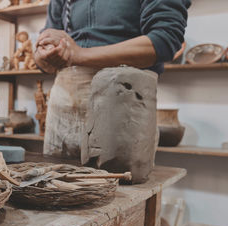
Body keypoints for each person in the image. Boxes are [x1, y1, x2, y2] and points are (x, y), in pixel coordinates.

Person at [34, 0, 191, 158]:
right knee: (54, 179)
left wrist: (78, 55)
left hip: (121, 105)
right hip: (63, 107)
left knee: (118, 179)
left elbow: (164, 40)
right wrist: (44, 52)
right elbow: (43, 62)